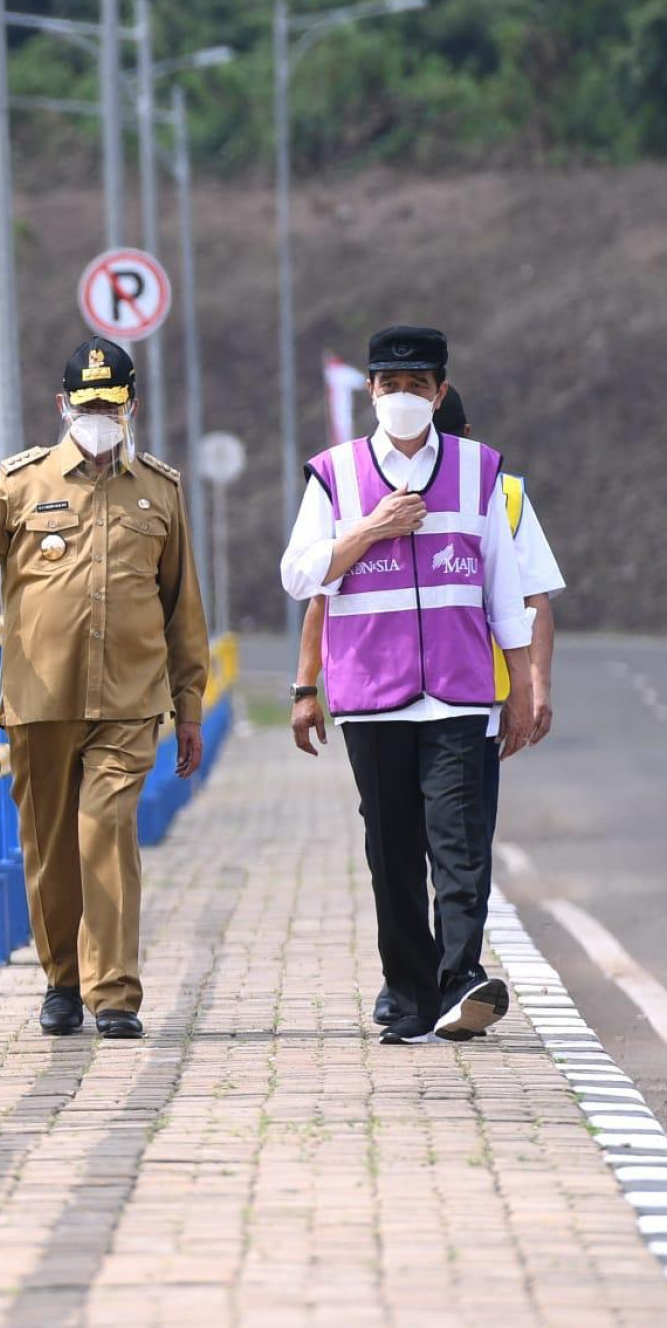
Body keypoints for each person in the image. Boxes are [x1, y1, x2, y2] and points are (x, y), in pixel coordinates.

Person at [0, 338, 209, 1040]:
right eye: (87, 404)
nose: (100, 414)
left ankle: (114, 994)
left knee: (105, 829)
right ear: (63, 406)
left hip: (131, 700)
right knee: (49, 845)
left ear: (132, 404)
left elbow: (183, 608)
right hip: (40, 697)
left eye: (111, 403)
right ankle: (61, 980)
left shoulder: (160, 490)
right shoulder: (22, 481)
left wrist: (191, 705)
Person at [281, 325, 534, 1045]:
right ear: (370, 390)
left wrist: (515, 686)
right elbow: (301, 574)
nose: (402, 397)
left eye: (417, 386)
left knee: (459, 843)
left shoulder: (478, 469)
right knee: (392, 849)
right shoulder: (335, 473)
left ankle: (460, 979)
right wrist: (370, 529)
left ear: (440, 392)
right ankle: (410, 991)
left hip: (457, 688)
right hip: (373, 692)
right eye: (390, 386)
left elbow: (503, 588)